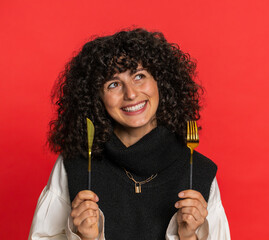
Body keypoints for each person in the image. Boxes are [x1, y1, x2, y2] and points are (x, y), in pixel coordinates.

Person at [29, 28, 230, 240]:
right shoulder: (74, 164)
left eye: (139, 76)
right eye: (114, 84)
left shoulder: (199, 171)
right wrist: (84, 238)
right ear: (96, 98)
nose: (131, 93)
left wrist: (189, 237)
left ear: (160, 83)